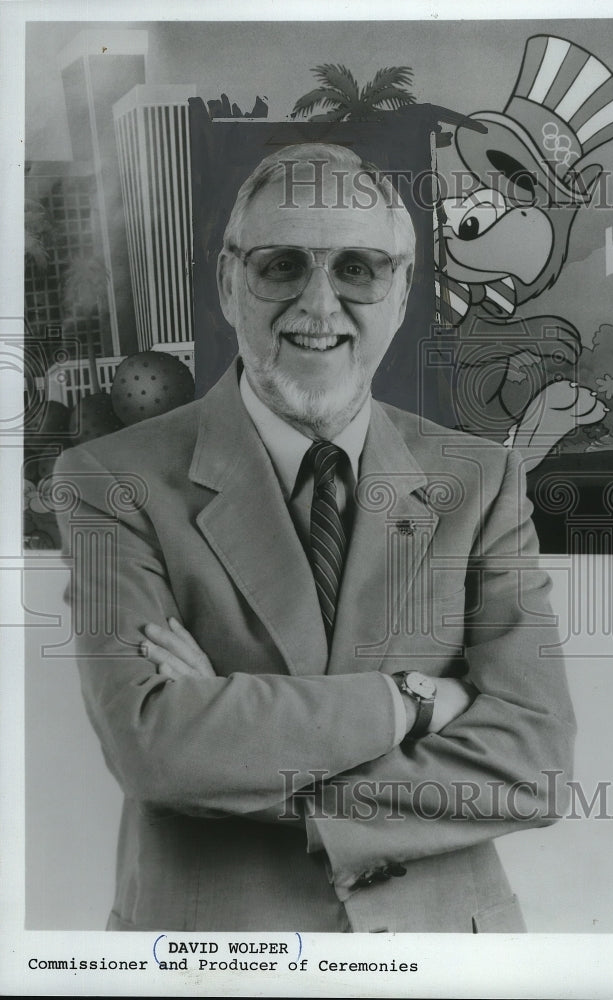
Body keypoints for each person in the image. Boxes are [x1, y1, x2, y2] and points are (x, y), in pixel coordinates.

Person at [54, 143, 575, 933]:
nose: (319, 305)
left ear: (402, 292)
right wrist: (414, 702)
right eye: (282, 266)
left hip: (445, 951)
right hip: (218, 959)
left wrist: (234, 748)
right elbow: (154, 750)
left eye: (358, 269)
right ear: (230, 282)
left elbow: (534, 766)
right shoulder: (108, 477)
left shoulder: (479, 479)